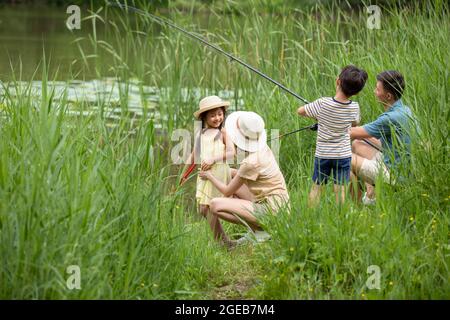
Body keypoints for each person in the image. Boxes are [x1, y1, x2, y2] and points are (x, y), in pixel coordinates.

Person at [198, 111, 289, 249]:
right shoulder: (263, 148)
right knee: (231, 177)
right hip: (279, 204)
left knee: (214, 205)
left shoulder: (250, 162)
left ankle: (258, 232)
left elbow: (227, 191)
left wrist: (209, 176)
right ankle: (259, 232)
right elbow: (236, 174)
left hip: (273, 211)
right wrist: (220, 170)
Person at [297, 65, 368, 206]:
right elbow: (355, 123)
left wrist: (318, 116)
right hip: (343, 155)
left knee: (317, 187)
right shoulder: (354, 107)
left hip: (323, 154)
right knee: (340, 188)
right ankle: (340, 215)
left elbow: (300, 111)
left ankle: (311, 214)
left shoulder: (322, 103)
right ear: (356, 92)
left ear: (337, 81)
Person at [350, 70, 414, 204]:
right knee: (357, 144)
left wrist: (328, 123)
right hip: (399, 166)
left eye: (377, 89)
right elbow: (361, 134)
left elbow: (349, 133)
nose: (374, 91)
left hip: (396, 176)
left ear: (388, 95)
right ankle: (371, 194)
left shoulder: (390, 118)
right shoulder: (405, 110)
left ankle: (359, 207)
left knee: (345, 158)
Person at [185, 96, 235, 218]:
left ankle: (234, 229)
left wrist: (213, 159)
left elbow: (231, 153)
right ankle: (221, 236)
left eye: (220, 114)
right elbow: (193, 156)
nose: (217, 118)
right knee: (203, 209)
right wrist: (183, 173)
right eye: (213, 115)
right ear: (204, 118)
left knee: (218, 205)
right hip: (204, 175)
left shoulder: (223, 132)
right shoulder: (200, 135)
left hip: (219, 173)